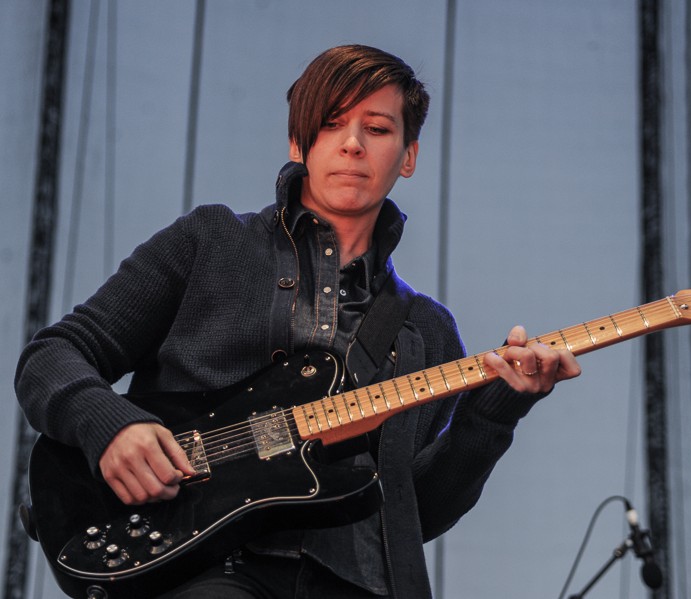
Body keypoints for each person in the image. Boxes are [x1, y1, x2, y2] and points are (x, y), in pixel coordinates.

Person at [15, 44, 581, 598]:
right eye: (332, 124)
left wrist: (495, 412)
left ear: (408, 156)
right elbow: (54, 354)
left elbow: (415, 514)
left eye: (377, 128)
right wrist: (110, 426)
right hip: (202, 571)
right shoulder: (210, 241)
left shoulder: (428, 331)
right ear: (298, 142)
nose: (353, 144)